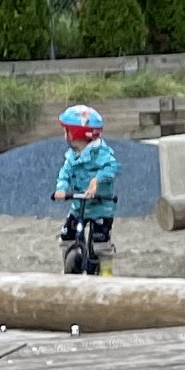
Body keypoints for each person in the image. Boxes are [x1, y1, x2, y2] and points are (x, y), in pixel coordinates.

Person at [52, 101, 121, 274]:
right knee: (67, 236)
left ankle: (106, 273)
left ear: (76, 133)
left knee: (101, 244)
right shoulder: (72, 156)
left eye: (67, 131)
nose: (65, 135)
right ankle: (68, 266)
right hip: (79, 206)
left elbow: (113, 167)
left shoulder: (101, 153)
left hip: (101, 207)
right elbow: (65, 173)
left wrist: (97, 180)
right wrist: (61, 188)